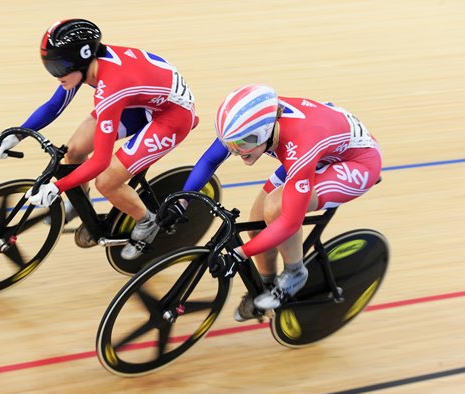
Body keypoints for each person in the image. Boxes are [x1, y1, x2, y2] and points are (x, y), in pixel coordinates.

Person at [159, 84, 382, 321]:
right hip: (317, 145)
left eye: (243, 145)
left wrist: (238, 254)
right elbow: (210, 160)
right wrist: (181, 203)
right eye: (231, 145)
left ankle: (295, 273)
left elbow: (288, 222)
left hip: (357, 163)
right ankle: (264, 287)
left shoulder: (299, 145)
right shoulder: (246, 122)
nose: (237, 152)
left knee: (277, 207)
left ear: (265, 131)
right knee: (256, 224)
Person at [0, 19, 197, 260]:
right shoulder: (85, 66)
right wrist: (16, 134)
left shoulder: (110, 88)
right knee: (74, 151)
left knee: (107, 181)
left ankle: (146, 221)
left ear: (82, 60)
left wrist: (58, 187)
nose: (57, 75)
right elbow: (55, 105)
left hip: (171, 117)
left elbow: (100, 161)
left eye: (60, 68)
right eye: (51, 67)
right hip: (141, 100)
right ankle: (82, 203)